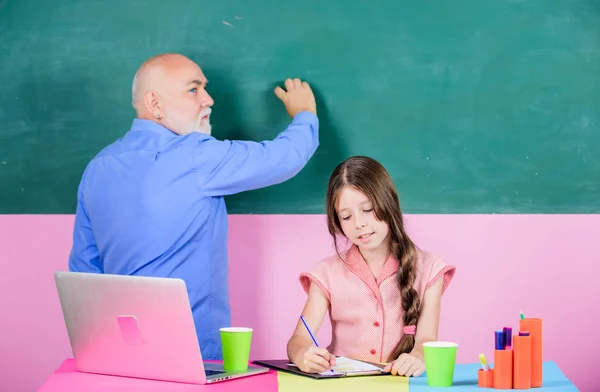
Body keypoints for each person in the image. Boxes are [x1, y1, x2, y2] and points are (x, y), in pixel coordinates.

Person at [68, 53, 320, 360]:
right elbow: (284, 157)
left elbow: (84, 271)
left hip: (118, 351)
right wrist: (305, 113)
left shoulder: (98, 168)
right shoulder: (195, 156)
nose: (209, 99)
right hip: (192, 353)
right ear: (155, 103)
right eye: (193, 89)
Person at [286, 156, 456, 377]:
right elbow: (299, 339)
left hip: (400, 385)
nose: (359, 224)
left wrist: (418, 357)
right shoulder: (326, 273)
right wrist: (303, 355)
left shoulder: (430, 268)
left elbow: (426, 340)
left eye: (367, 209)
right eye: (346, 216)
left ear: (388, 202)